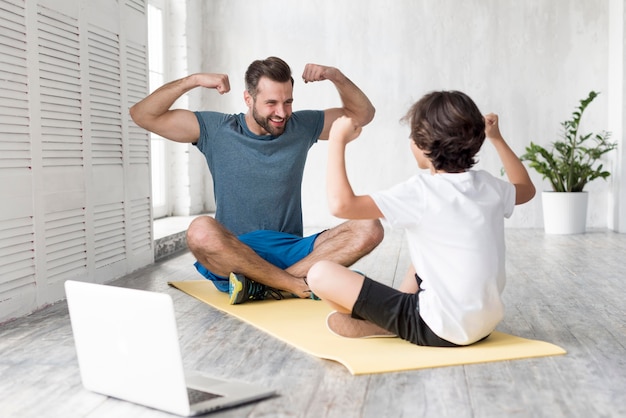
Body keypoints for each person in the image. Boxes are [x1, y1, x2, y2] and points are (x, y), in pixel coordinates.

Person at [130, 57, 383, 304]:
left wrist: (334, 76)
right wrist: (193, 80)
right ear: (248, 99)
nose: (281, 112)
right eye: (271, 103)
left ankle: (267, 286)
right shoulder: (216, 130)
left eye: (288, 102)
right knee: (199, 231)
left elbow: (362, 114)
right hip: (235, 255)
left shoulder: (301, 126)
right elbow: (143, 115)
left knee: (370, 226)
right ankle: (292, 284)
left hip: (289, 252)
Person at [307, 91, 536, 346]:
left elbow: (341, 205)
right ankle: (393, 317)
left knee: (319, 274)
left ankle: (386, 324)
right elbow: (526, 188)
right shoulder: (489, 186)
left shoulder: (421, 192)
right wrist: (497, 138)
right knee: (427, 254)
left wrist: (337, 140)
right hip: (484, 325)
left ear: (425, 145)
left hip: (436, 328)